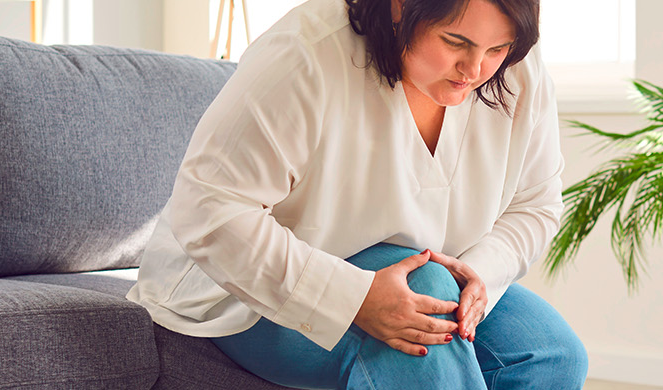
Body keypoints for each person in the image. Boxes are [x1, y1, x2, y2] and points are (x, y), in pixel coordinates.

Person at [125, 0, 587, 388]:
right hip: (235, 286)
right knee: (421, 305)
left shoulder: (515, 68)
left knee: (551, 354)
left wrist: (479, 276)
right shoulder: (305, 53)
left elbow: (537, 203)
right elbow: (208, 208)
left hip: (428, 273)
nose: (474, 69)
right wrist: (353, 297)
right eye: (455, 42)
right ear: (400, 6)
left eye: (497, 48)